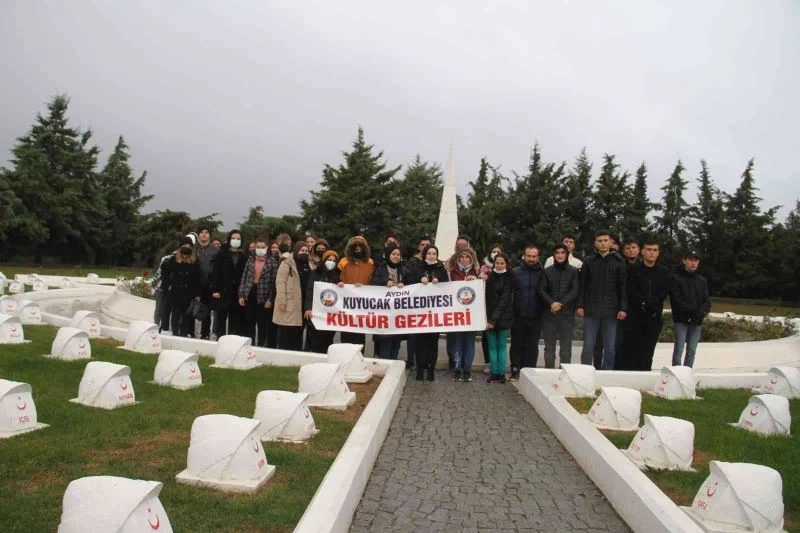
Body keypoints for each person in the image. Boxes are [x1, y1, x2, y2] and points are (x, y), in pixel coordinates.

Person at [577, 230, 627, 370]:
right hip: (591, 310)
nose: (603, 243)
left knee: (609, 347)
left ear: (611, 242)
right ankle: (585, 372)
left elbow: (622, 287)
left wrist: (623, 308)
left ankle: (607, 373)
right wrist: (580, 305)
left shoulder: (619, 261)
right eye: (600, 241)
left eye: (605, 240)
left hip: (611, 311)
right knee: (588, 346)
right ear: (595, 243)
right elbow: (582, 285)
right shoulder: (588, 261)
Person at [619, 238, 670, 370]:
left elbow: (664, 291)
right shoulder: (633, 270)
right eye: (649, 249)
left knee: (648, 351)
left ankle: (645, 376)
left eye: (655, 250)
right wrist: (642, 302)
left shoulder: (663, 271)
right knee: (631, 351)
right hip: (635, 317)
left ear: (658, 253)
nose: (651, 253)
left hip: (654, 317)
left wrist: (653, 304)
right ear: (642, 251)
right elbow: (631, 289)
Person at [407, 245, 448, 381]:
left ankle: (431, 370)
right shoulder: (418, 267)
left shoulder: (441, 269)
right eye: (429, 253)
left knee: (433, 344)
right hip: (420, 313)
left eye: (434, 253)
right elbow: (410, 283)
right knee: (420, 343)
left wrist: (439, 281)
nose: (431, 256)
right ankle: (420, 370)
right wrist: (419, 280)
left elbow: (447, 287)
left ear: (437, 255)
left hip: (435, 313)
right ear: (425, 254)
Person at [539, 243, 580, 368]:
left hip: (567, 315)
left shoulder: (574, 271)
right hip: (549, 315)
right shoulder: (547, 271)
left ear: (567, 254)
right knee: (549, 348)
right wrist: (551, 303)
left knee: (566, 349)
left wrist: (561, 304)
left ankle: (564, 374)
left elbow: (575, 290)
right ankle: (549, 373)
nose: (560, 255)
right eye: (557, 253)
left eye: (563, 253)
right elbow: (542, 290)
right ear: (553, 255)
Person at [510, 245, 545, 379]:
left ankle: (529, 373)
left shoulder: (543, 273)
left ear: (538, 257)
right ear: (524, 256)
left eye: (534, 256)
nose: (531, 259)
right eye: (528, 256)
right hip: (518, 315)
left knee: (532, 346)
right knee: (516, 344)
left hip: (536, 316)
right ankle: (515, 370)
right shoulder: (515, 272)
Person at [670, 251, 711, 367]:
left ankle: (688, 372)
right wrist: (692, 312)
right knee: (679, 349)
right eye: (690, 260)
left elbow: (706, 301)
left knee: (691, 351)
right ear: (684, 261)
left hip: (697, 321)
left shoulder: (702, 280)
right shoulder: (675, 278)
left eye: (696, 260)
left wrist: (700, 313)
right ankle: (676, 372)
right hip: (681, 320)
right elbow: (677, 300)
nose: (693, 263)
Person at [445, 247, 480, 382]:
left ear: (471, 259)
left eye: (467, 257)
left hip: (472, 314)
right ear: (458, 259)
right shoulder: (452, 272)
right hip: (457, 313)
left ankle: (467, 370)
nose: (464, 260)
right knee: (457, 343)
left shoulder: (477, 271)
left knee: (469, 343)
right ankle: (457, 369)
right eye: (462, 257)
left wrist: (477, 280)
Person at [238, 234, 277, 347]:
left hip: (263, 295)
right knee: (250, 321)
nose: (260, 249)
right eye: (258, 247)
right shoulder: (250, 260)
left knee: (262, 323)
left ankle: (260, 345)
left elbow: (274, 283)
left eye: (262, 247)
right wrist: (241, 294)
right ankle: (249, 345)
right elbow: (244, 278)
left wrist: (270, 299)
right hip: (250, 292)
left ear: (267, 248)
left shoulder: (272, 262)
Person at [337, 235, 376, 347]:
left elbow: (373, 282)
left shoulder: (370, 263)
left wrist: (364, 287)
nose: (358, 248)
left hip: (362, 306)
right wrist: (340, 283)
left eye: (361, 245)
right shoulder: (343, 262)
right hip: (346, 305)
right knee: (346, 334)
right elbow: (337, 278)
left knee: (360, 337)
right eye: (356, 245)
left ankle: (359, 356)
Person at [209, 229, 248, 338]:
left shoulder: (244, 256)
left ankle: (232, 340)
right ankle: (220, 338)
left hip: (237, 292)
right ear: (229, 239)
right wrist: (215, 290)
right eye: (233, 238)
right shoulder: (222, 254)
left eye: (238, 238)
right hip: (223, 291)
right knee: (221, 317)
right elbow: (215, 272)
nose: (236, 240)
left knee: (234, 319)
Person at [402, 236, 432, 371]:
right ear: (419, 246)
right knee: (412, 334)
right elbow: (407, 279)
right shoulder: (411, 262)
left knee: (427, 335)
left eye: (427, 245)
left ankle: (424, 361)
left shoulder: (434, 263)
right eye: (422, 244)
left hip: (429, 304)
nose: (424, 247)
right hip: (414, 303)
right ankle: (411, 361)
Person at [162, 236, 202, 337]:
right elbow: (165, 276)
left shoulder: (195, 260)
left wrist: (197, 294)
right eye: (185, 245)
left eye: (189, 245)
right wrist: (167, 290)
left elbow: (198, 279)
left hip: (188, 294)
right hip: (175, 292)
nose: (187, 247)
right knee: (175, 315)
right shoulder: (173, 259)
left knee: (186, 317)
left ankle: (184, 334)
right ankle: (175, 333)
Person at [370, 243, 405, 359]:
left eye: (398, 254)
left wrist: (403, 284)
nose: (396, 256)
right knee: (385, 345)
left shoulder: (403, 269)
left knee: (396, 345)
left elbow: (410, 284)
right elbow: (373, 284)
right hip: (384, 314)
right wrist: (384, 282)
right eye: (393, 254)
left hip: (398, 315)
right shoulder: (380, 269)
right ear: (388, 255)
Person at [485, 252, 514, 383]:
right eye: (497, 263)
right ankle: (494, 372)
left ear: (506, 264)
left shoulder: (509, 278)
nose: (499, 265)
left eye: (502, 263)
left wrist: (492, 320)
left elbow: (504, 301)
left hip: (503, 318)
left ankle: (501, 373)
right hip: (489, 318)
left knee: (501, 346)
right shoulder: (489, 277)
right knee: (492, 347)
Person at [304, 249, 341, 353]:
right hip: (317, 311)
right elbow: (309, 290)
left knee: (328, 338)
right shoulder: (316, 272)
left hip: (330, 314)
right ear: (324, 260)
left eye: (334, 261)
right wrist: (308, 308)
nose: (331, 262)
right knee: (316, 337)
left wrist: (340, 284)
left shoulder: (338, 274)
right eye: (329, 260)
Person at [273, 241, 304, 350]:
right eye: (302, 250)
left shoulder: (294, 262)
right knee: (284, 330)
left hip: (294, 302)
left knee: (292, 331)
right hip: (287, 301)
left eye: (306, 251)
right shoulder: (286, 262)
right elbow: (280, 282)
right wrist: (282, 301)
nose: (304, 252)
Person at [194, 226, 220, 340]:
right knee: (192, 308)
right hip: (195, 284)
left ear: (209, 235)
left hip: (209, 285)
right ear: (198, 235)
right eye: (201, 232)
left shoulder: (216, 250)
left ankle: (205, 333)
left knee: (207, 311)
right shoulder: (193, 249)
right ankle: (189, 331)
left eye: (206, 232)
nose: (204, 234)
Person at [152, 240, 177, 333]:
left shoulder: (164, 256)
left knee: (163, 307)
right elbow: (158, 271)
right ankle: (157, 325)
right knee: (161, 307)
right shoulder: (165, 258)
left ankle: (161, 326)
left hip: (165, 286)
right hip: (163, 286)